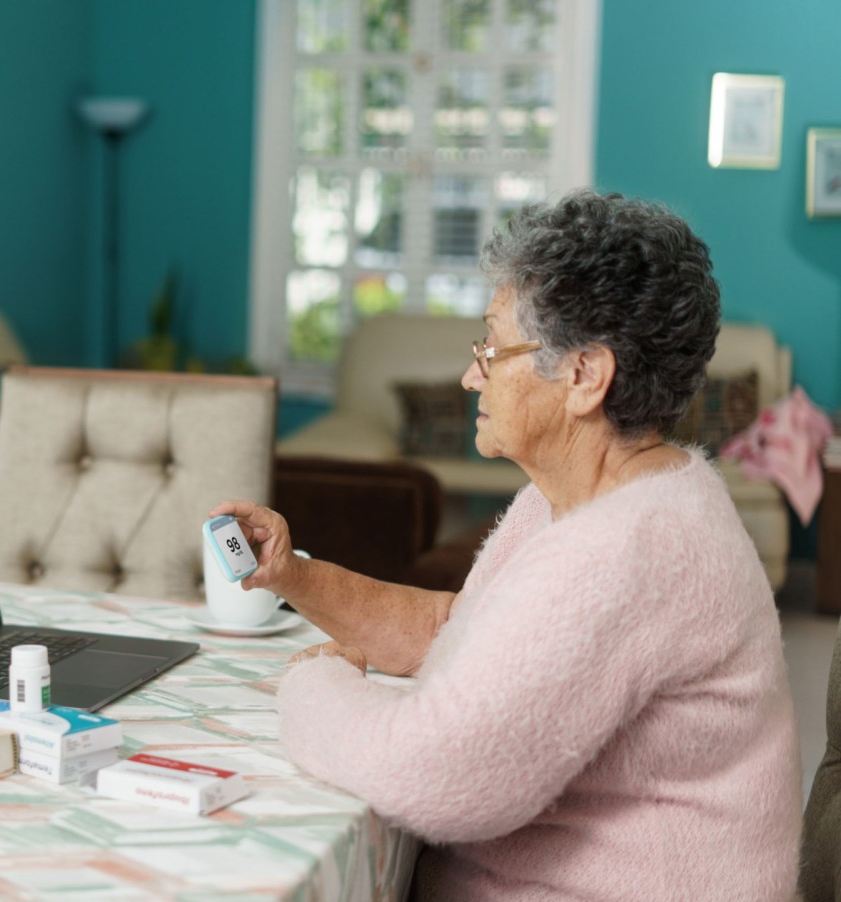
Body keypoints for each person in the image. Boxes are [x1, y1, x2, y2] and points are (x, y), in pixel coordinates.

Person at [211, 192, 801, 900]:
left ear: (584, 376)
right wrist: (293, 577)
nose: (471, 376)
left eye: (492, 348)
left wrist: (313, 683)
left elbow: (435, 776)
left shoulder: (627, 549)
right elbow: (461, 631)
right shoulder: (596, 497)